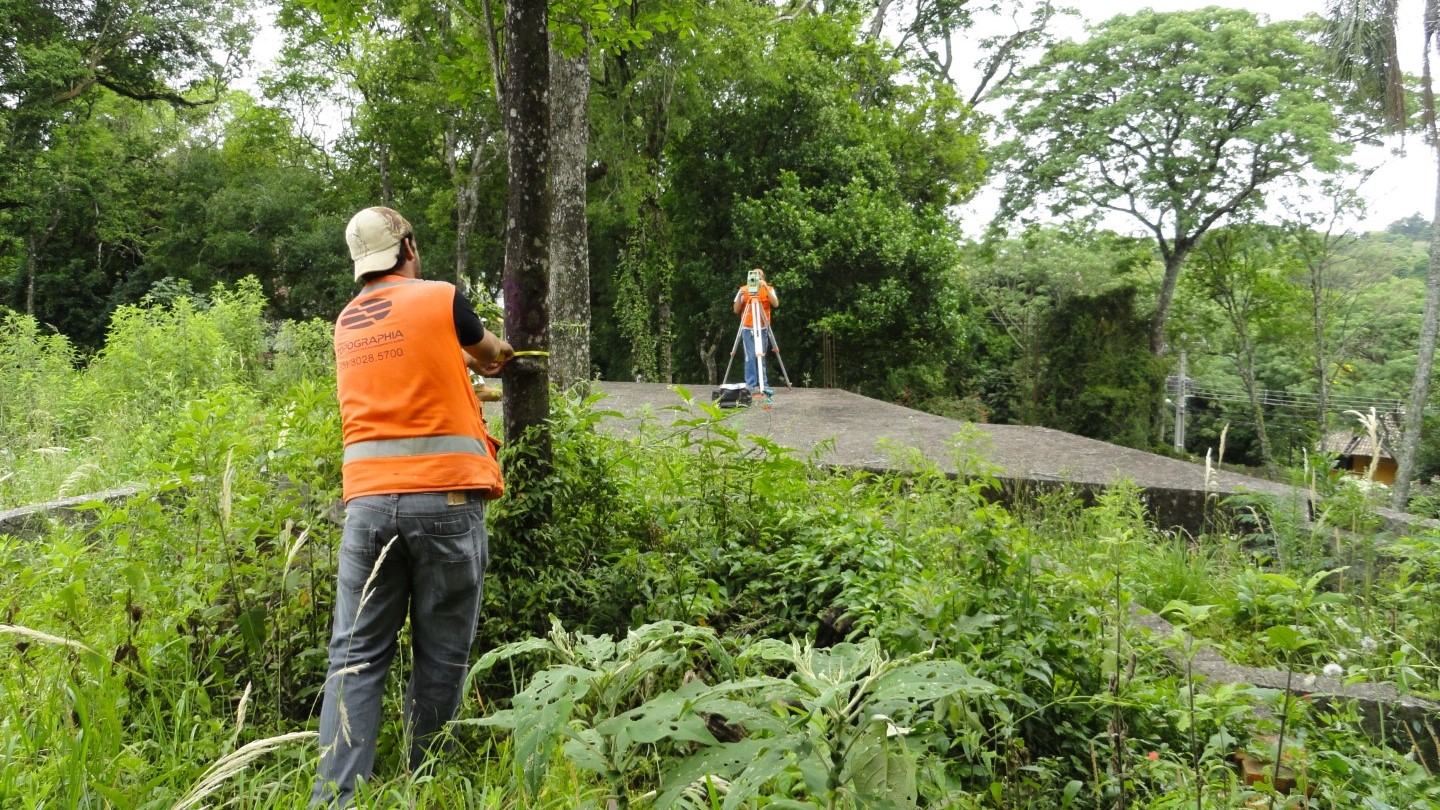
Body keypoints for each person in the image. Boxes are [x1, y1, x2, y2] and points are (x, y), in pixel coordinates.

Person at [312, 206, 513, 808]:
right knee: (443, 652)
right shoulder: (440, 299)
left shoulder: (346, 323)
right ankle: (426, 783)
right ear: (409, 247)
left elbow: (410, 379)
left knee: (354, 658)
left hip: (368, 509)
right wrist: (500, 352)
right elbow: (489, 351)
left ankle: (336, 798)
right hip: (448, 500)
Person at [732, 267, 778, 395]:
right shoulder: (744, 289)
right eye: (754, 275)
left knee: (761, 356)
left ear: (763, 278)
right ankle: (750, 385)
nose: (757, 278)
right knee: (750, 357)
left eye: (760, 276)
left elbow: (775, 304)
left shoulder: (768, 289)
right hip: (747, 328)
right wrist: (741, 295)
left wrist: (766, 288)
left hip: (763, 328)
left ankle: (764, 384)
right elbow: (736, 310)